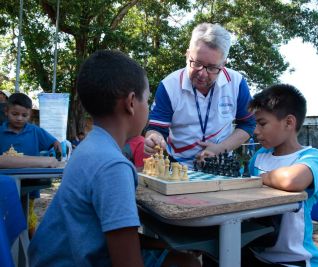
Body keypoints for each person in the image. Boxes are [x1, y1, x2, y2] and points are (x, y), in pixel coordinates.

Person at [28, 50, 200, 267]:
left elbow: (116, 235)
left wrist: (168, 245)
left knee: (182, 258)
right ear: (130, 102)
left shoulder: (90, 146)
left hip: (53, 257)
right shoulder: (113, 166)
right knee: (189, 264)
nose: (148, 107)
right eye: (147, 100)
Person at [145, 23, 255, 167]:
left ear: (224, 64)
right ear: (187, 55)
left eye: (212, 67)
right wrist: (153, 139)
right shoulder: (169, 85)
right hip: (178, 166)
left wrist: (219, 149)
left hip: (221, 164)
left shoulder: (236, 82)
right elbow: (156, 129)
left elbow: (248, 124)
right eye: (196, 63)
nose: (202, 74)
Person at [244, 84, 318, 267]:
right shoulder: (259, 157)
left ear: (289, 122)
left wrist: (256, 180)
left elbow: (292, 180)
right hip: (255, 253)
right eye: (255, 124)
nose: (255, 131)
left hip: (293, 259)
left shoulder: (310, 157)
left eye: (262, 123)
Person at [0, 92, 62, 238]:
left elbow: (54, 143)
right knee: (8, 215)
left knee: (27, 214)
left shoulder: (34, 131)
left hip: (30, 182)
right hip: (5, 182)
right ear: (6, 112)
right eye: (15, 114)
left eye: (24, 115)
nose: (19, 118)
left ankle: (30, 244)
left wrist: (58, 148)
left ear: (29, 115)